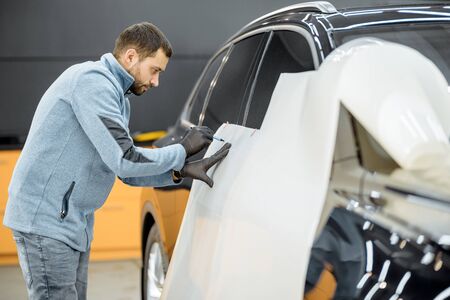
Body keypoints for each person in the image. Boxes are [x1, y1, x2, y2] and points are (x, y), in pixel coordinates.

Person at [3, 22, 231, 299]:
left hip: (72, 220)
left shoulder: (118, 98)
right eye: (154, 70)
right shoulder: (93, 83)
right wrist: (181, 151)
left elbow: (124, 171)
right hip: (46, 220)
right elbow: (125, 158)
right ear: (131, 56)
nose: (156, 81)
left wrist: (177, 172)